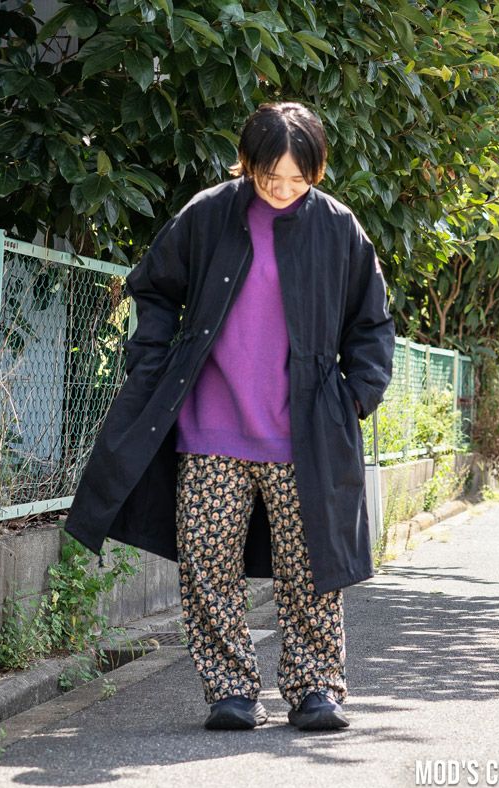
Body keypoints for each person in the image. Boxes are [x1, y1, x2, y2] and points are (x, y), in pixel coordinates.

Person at [63, 101, 395, 732]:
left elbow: (373, 322)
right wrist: (150, 360)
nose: (284, 189)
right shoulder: (210, 213)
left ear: (316, 173)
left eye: (298, 178)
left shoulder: (338, 227)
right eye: (271, 176)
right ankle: (231, 691)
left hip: (305, 434)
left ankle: (315, 689)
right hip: (210, 429)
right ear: (247, 162)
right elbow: (154, 287)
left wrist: (356, 397)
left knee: (310, 568)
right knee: (206, 563)